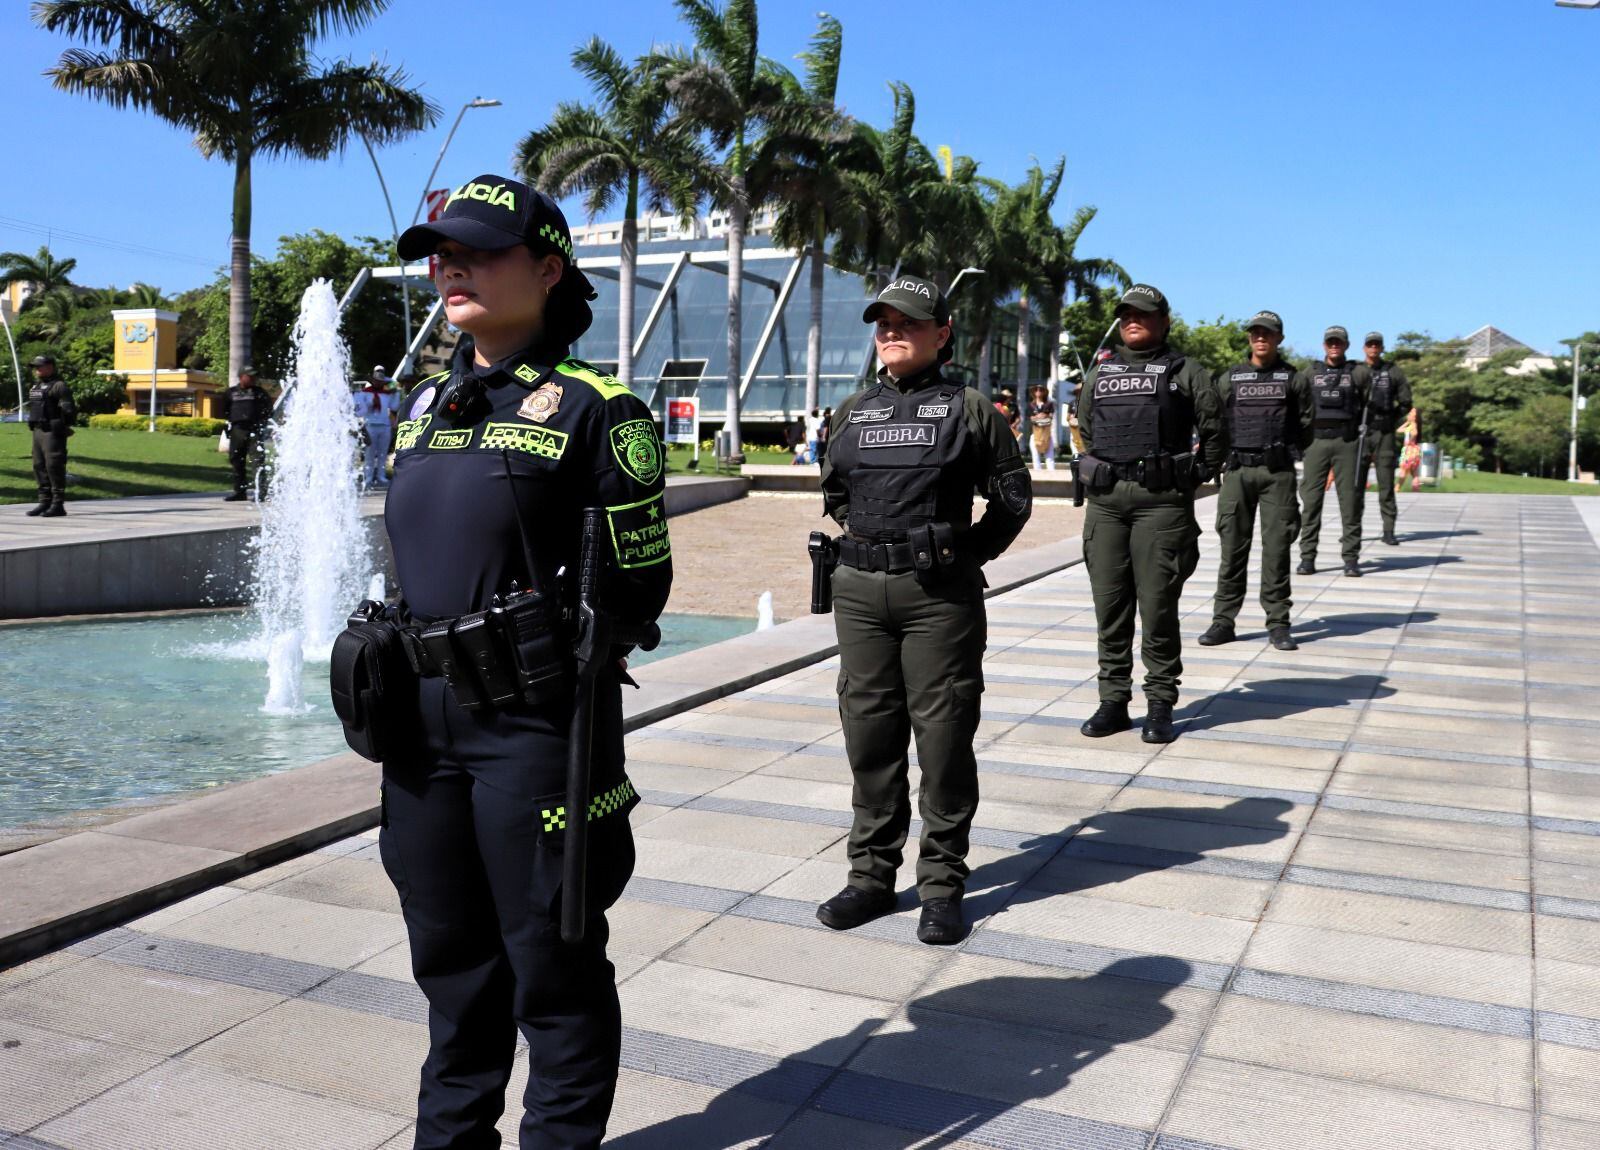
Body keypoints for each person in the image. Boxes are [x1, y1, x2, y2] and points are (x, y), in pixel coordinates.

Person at [379, 172, 672, 1149]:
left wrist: (549, 644)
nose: (449, 263)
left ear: (547, 270)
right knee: (452, 971)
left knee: (551, 971)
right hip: (419, 735)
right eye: (440, 250)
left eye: (479, 249)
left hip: (536, 733)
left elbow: (639, 589)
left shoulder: (599, 408)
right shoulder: (423, 402)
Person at [817, 272, 1031, 946]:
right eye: (882, 322)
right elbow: (839, 495)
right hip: (858, 592)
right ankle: (872, 878)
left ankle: (942, 884)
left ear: (941, 334)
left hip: (938, 598)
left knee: (942, 742)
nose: (890, 333)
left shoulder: (971, 411)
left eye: (906, 323)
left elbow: (1013, 501)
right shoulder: (849, 412)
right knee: (869, 737)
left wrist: (961, 556)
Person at [1075, 284, 1226, 744]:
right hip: (1106, 502)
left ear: (1164, 321)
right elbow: (1085, 428)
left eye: (1142, 314)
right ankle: (1113, 701)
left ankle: (1160, 702)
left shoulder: (1186, 371)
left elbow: (1215, 430)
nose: (1132, 321)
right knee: (1110, 607)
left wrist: (1190, 475)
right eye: (1125, 314)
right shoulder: (1101, 374)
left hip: (1161, 503)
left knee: (1158, 607)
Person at [1198, 311, 1312, 653]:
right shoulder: (1230, 378)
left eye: (1268, 333)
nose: (1260, 337)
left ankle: (1278, 623)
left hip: (1276, 473)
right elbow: (1215, 420)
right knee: (1232, 548)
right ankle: (1223, 621)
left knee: (1277, 549)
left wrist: (1282, 452)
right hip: (1237, 471)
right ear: (1249, 338)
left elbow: (1306, 425)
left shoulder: (1294, 378)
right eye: (1255, 332)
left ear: (1279, 338)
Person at [1297, 325, 1372, 577]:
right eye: (1330, 341)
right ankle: (1307, 557)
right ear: (1324, 344)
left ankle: (1351, 559)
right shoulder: (1310, 372)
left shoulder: (1359, 373)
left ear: (1346, 345)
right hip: (1316, 442)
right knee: (1311, 502)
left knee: (1350, 503)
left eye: (1338, 342)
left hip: (1347, 442)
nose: (1334, 345)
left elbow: (1367, 403)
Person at [1361, 332, 1413, 545]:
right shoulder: (1355, 369)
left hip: (1384, 432)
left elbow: (1406, 401)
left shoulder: (1393, 371)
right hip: (1361, 432)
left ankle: (1388, 529)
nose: (1373, 348)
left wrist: (1391, 420)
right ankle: (1352, 530)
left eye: (1377, 345)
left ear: (1382, 348)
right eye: (1370, 345)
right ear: (1364, 348)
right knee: (1355, 485)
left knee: (1386, 484)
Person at [24, 353, 74, 517]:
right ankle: (44, 501)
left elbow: (69, 409)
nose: (36, 369)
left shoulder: (59, 385)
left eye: (40, 366)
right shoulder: (36, 387)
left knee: (54, 466)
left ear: (50, 367)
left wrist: (63, 426)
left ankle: (58, 504)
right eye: (35, 367)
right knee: (39, 465)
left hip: (53, 431)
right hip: (38, 431)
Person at [219, 365, 272, 501]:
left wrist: (261, 423)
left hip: (254, 430)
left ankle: (261, 493)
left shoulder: (259, 393)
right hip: (238, 430)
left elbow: (268, 410)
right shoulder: (230, 393)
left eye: (254, 376)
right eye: (250, 376)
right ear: (242, 376)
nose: (253, 379)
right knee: (237, 461)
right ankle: (239, 492)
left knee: (257, 461)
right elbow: (225, 410)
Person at [358, 364, 399, 489]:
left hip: (384, 425)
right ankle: (368, 477)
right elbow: (361, 411)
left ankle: (381, 476)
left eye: (381, 378)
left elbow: (394, 407)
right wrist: (371, 403)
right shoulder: (366, 391)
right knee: (370, 453)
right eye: (376, 378)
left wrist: (395, 392)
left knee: (382, 453)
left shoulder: (387, 391)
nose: (379, 382)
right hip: (370, 425)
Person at [1026, 381, 1056, 470]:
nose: (1038, 391)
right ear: (1034, 392)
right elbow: (1030, 418)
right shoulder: (1030, 405)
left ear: (1044, 392)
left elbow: (1051, 416)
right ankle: (1038, 477)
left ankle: (1052, 476)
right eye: (1036, 390)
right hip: (1035, 433)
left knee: (1050, 457)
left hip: (1046, 433)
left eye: (1040, 390)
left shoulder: (1049, 404)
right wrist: (1038, 416)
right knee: (1035, 457)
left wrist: (1045, 415)